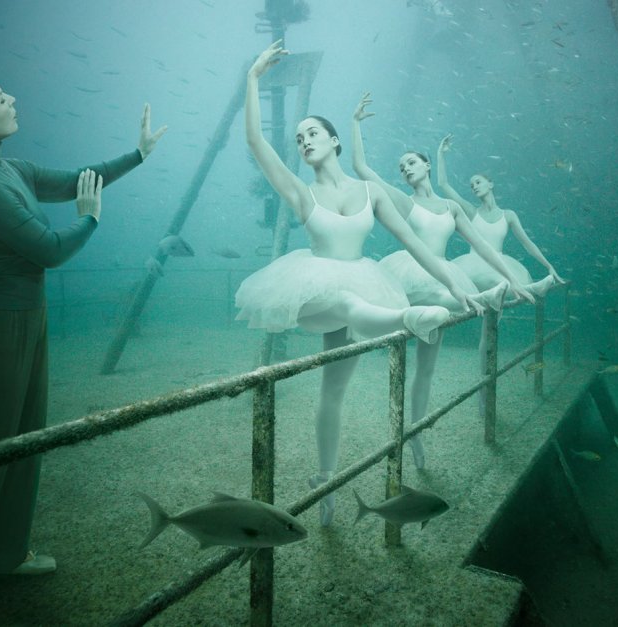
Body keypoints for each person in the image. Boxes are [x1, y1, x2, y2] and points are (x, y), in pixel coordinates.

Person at [0, 68, 166, 627]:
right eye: (0, 97)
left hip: (27, 315)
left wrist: (139, 154)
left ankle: (5, 555)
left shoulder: (9, 169)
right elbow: (49, 250)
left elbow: (80, 179)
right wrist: (90, 223)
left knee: (26, 441)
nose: (12, 98)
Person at [236, 42, 482, 526]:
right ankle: (407, 319)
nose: (304, 141)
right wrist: (252, 79)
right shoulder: (301, 192)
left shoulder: (371, 192)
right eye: (299, 138)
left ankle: (325, 483)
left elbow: (416, 244)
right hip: (314, 292)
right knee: (349, 303)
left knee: (333, 392)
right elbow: (255, 144)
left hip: (360, 287)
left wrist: (455, 285)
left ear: (334, 142)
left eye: (312, 133)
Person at [351, 93, 542, 469]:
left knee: (426, 367)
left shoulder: (453, 208)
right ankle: (486, 298)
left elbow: (486, 249)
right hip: (412, 277)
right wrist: (355, 125)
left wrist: (510, 277)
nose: (405, 169)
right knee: (441, 304)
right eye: (401, 166)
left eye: (410, 162)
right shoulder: (404, 202)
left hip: (442, 274)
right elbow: (362, 169)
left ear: (424, 164)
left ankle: (417, 439)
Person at [436, 133, 564, 417]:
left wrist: (549, 266)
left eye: (478, 181)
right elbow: (444, 185)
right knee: (495, 286)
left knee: (491, 329)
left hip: (500, 268)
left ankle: (484, 393)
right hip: (474, 266)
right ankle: (528, 288)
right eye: (471, 185)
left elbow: (527, 243)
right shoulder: (471, 211)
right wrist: (441, 153)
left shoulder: (509, 214)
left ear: (491, 184)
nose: (473, 187)